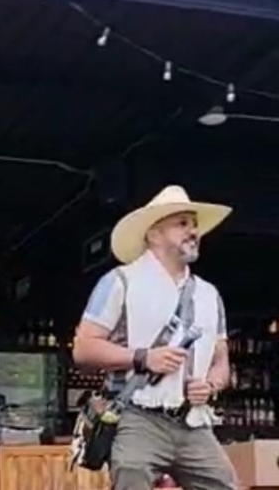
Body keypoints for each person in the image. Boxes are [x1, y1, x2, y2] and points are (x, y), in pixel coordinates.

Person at [74, 185, 238, 490]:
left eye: (194, 225)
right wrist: (142, 358)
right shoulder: (120, 281)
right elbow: (83, 348)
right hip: (138, 417)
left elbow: (221, 360)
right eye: (182, 223)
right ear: (153, 234)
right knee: (131, 475)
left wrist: (211, 385)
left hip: (193, 421)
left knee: (224, 484)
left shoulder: (209, 294)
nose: (193, 231)